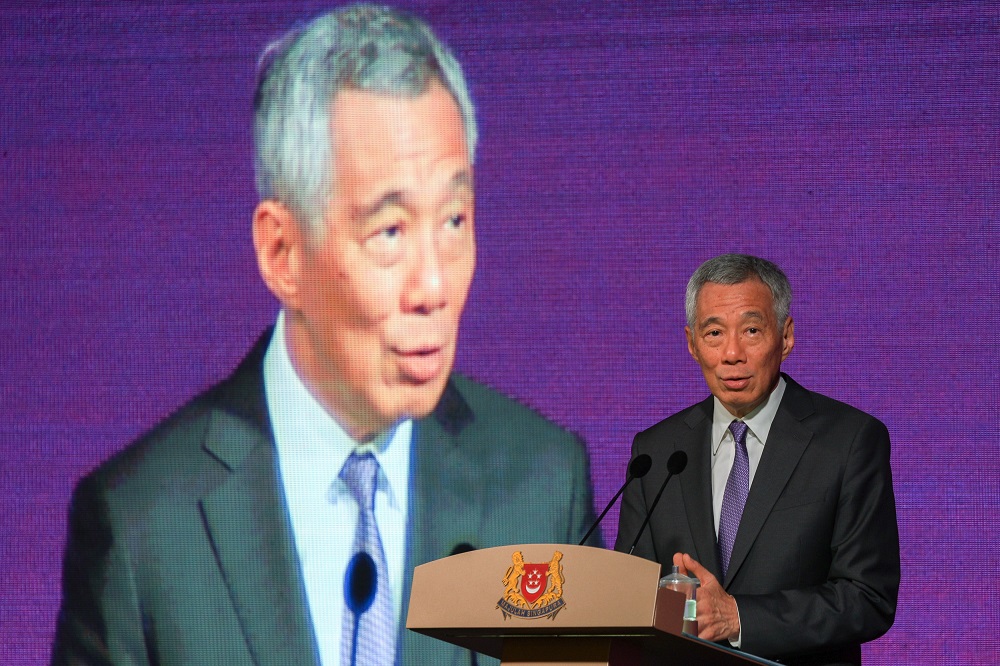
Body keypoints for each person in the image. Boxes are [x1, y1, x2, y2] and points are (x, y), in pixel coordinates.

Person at [51, 6, 599, 666]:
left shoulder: (542, 487)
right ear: (282, 252)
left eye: (454, 221)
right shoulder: (142, 527)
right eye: (389, 232)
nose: (433, 285)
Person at [615, 254, 899, 666]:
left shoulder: (849, 441)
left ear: (785, 336)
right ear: (692, 344)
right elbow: (632, 591)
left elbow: (868, 597)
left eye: (751, 330)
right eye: (714, 333)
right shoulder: (657, 452)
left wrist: (738, 618)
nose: (732, 353)